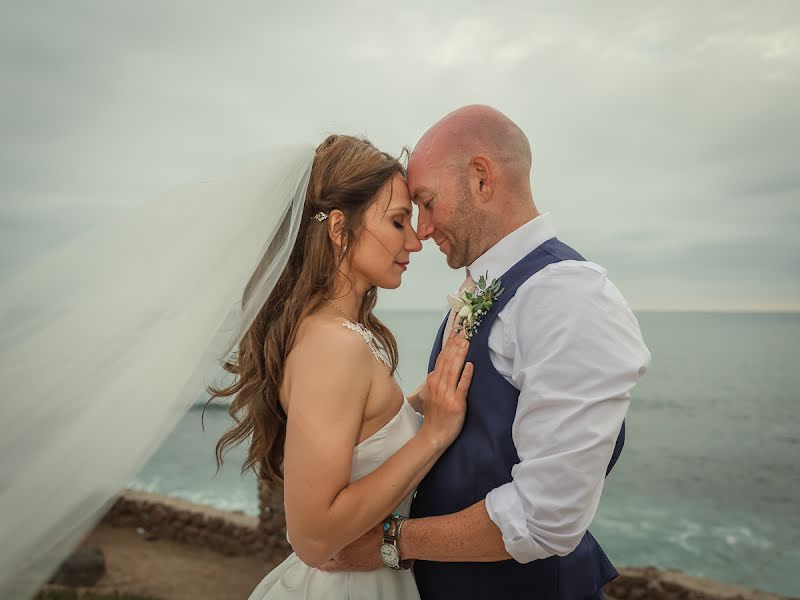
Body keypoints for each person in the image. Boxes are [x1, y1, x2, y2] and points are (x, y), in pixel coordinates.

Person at [319, 106, 652, 600]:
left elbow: (544, 519)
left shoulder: (568, 298)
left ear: (481, 177)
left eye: (427, 203)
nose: (423, 230)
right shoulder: (490, 286)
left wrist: (388, 543)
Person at [208, 134, 474, 599]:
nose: (415, 241)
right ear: (337, 228)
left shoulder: (336, 332)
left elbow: (359, 435)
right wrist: (433, 435)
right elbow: (313, 537)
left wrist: (417, 402)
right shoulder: (332, 346)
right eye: (397, 221)